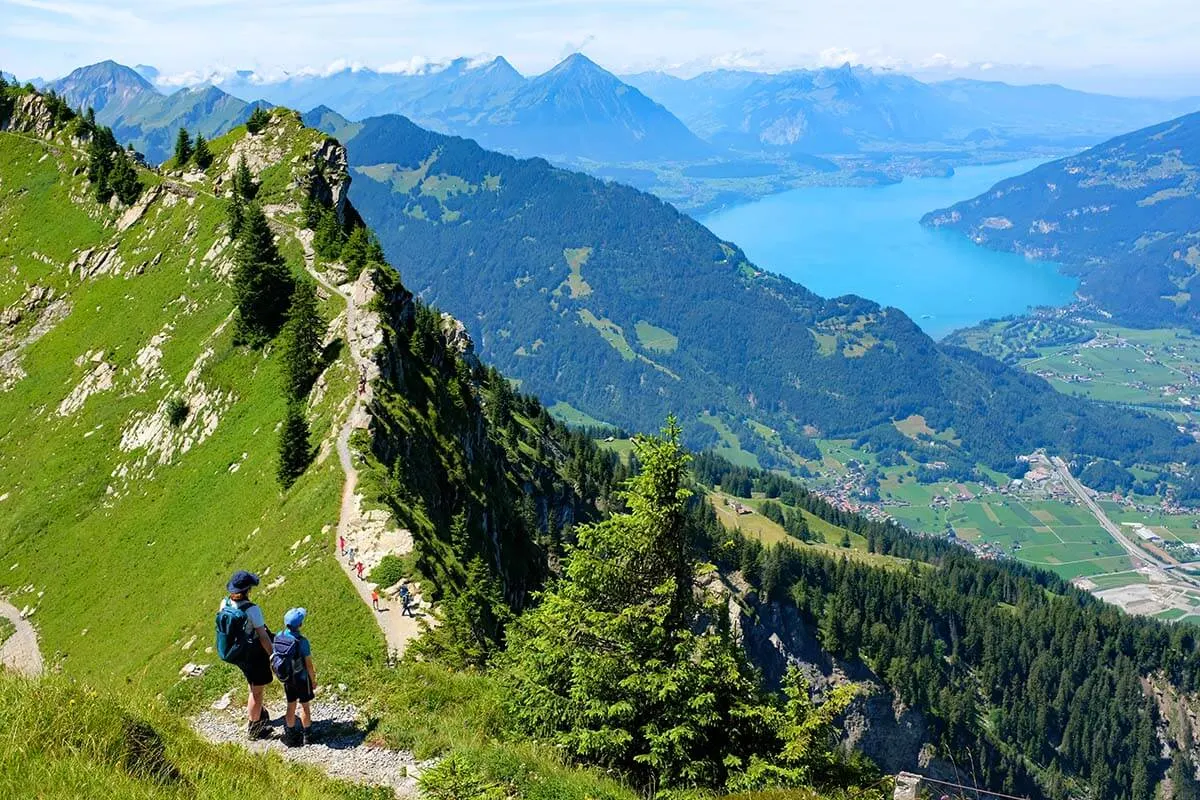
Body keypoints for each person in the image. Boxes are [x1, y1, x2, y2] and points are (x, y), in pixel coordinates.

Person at [219, 570, 274, 739]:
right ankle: (255, 727)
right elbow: (263, 637)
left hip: (234, 651)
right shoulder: (252, 610)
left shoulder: (224, 603)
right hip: (252, 654)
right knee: (257, 692)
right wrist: (273, 655)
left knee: (252, 682)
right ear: (248, 590)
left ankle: (258, 713)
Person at [275, 607, 317, 747]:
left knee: (291, 705)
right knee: (305, 706)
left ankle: (291, 736)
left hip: (287, 678)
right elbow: (309, 665)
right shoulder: (302, 641)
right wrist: (313, 680)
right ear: (300, 625)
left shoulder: (279, 636)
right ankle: (307, 736)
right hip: (302, 679)